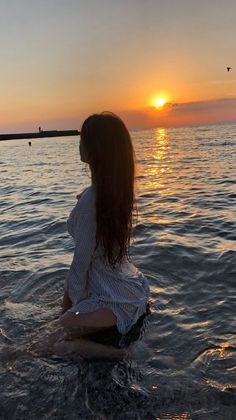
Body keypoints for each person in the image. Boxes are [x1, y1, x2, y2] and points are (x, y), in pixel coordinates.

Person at [50, 112, 150, 359]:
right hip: (130, 287)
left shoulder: (91, 201)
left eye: (83, 138)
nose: (79, 144)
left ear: (95, 149)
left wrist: (67, 310)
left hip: (114, 298)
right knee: (56, 329)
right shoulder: (114, 193)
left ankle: (124, 355)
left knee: (50, 343)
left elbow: (80, 264)